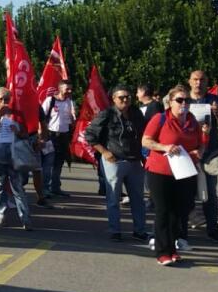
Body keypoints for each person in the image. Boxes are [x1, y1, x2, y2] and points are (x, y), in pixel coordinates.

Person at [142, 84, 205, 265]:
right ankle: (162, 252)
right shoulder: (160, 119)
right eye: (179, 100)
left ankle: (173, 249)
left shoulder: (193, 121)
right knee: (163, 210)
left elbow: (200, 143)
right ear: (170, 102)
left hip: (184, 172)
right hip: (160, 171)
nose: (184, 103)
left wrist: (198, 151)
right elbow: (146, 141)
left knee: (179, 212)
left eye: (187, 100)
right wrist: (164, 147)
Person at [84, 85, 149, 242]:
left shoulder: (136, 113)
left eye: (128, 96)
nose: (125, 100)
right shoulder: (107, 114)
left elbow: (144, 134)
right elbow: (90, 135)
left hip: (135, 161)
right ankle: (115, 230)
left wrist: (144, 154)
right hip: (115, 161)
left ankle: (139, 230)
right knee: (113, 198)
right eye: (121, 97)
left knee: (138, 199)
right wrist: (105, 152)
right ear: (114, 99)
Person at [186, 71, 218, 244]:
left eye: (202, 80)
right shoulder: (183, 99)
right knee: (185, 191)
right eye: (195, 79)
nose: (198, 82)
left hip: (209, 153)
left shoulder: (214, 100)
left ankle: (212, 229)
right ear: (189, 81)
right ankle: (182, 229)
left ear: (207, 82)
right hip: (187, 153)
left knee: (210, 193)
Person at [0, 87, 32, 230]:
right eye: (1, 99)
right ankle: (1, 216)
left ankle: (25, 218)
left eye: (6, 99)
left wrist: (18, 131)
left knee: (17, 186)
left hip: (13, 153)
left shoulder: (16, 115)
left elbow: (25, 134)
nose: (4, 102)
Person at [43, 81, 76, 198]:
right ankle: (44, 189)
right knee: (49, 163)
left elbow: (72, 121)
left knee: (59, 163)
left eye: (71, 89)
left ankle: (56, 187)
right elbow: (41, 117)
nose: (69, 91)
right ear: (60, 88)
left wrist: (73, 118)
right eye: (67, 89)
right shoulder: (50, 100)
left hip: (64, 136)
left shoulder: (70, 102)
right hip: (51, 135)